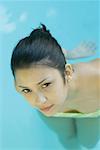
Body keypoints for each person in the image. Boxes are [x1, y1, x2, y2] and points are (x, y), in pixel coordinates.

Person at [10, 24, 100, 117]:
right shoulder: (23, 85)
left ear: (67, 73)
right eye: (27, 90)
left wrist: (72, 54)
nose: (40, 101)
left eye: (46, 85)